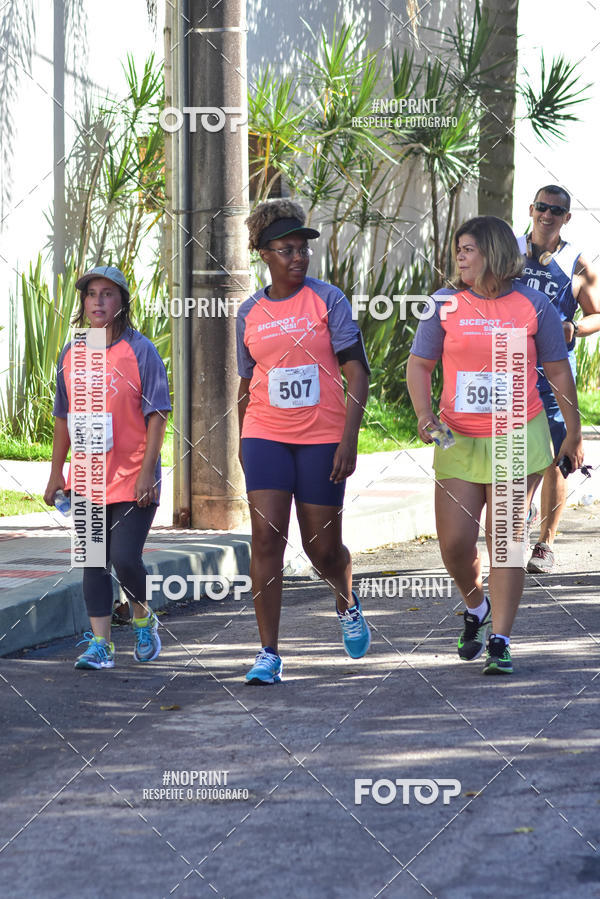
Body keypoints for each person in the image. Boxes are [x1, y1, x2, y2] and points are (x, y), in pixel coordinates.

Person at [407, 216, 583, 675]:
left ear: (493, 253)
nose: (459, 257)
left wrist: (575, 430)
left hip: (516, 434)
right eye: (458, 249)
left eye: (468, 248)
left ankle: (501, 639)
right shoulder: (443, 304)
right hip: (456, 436)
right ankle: (476, 604)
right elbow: (420, 365)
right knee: (454, 544)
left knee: (505, 541)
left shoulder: (534, 305)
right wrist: (425, 415)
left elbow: (559, 372)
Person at [236, 198, 371, 684]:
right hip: (265, 434)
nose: (298, 257)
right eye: (286, 249)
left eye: (302, 249)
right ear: (265, 255)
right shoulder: (248, 311)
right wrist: (241, 437)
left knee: (322, 550)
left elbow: (357, 371)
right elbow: (246, 381)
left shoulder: (327, 300)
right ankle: (268, 653)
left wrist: (349, 439)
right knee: (266, 538)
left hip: (321, 437)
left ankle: (346, 601)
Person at [43, 266, 171, 669]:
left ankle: (142, 619)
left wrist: (148, 471)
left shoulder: (140, 350)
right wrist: (55, 474)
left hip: (134, 475)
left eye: (107, 294)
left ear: (122, 304)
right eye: (91, 294)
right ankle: (102, 644)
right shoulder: (72, 352)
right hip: (86, 478)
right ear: (83, 304)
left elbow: (157, 413)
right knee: (92, 560)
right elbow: (63, 419)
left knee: (125, 557)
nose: (98, 301)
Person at [515, 185, 600, 573]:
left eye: (557, 210)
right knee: (512, 455)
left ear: (567, 218)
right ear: (532, 209)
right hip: (508, 368)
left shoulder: (576, 262)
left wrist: (574, 328)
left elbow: (598, 314)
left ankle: (545, 545)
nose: (547, 215)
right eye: (542, 207)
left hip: (553, 373)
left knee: (557, 457)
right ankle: (518, 522)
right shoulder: (508, 251)